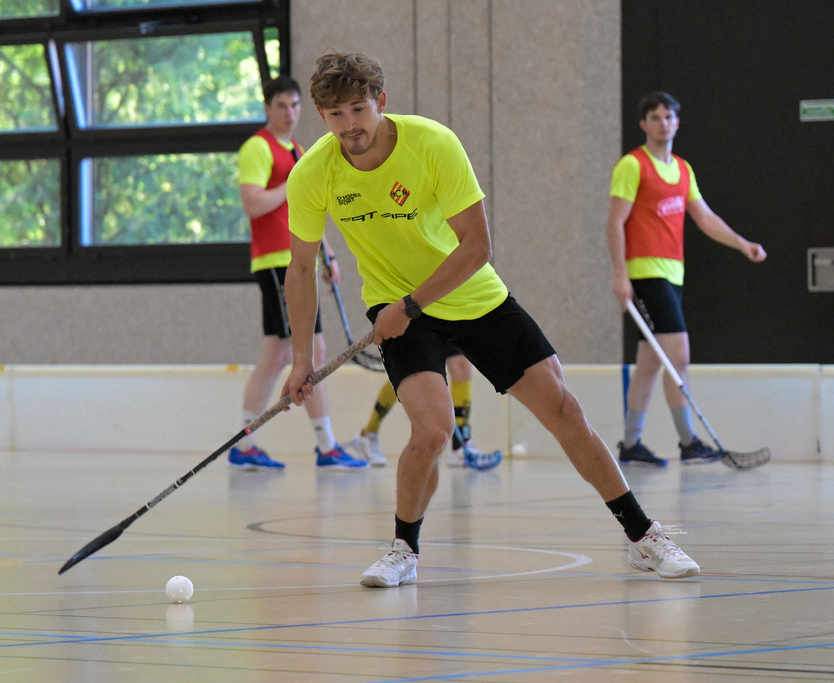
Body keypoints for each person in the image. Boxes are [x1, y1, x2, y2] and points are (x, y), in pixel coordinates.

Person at [281, 51, 699, 586]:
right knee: (431, 432)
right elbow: (300, 267)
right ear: (321, 115)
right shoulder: (314, 172)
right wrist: (300, 360)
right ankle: (403, 550)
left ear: (380, 103)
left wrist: (409, 306)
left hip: (469, 295)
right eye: (336, 116)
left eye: (358, 110)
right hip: (399, 309)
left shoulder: (433, 144)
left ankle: (643, 537)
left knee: (564, 410)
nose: (350, 126)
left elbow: (477, 246)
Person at [606, 91, 767, 468]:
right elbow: (615, 221)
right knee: (679, 355)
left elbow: (704, 217)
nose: (663, 123)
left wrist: (742, 244)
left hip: (673, 273)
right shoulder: (632, 166)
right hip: (645, 273)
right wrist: (620, 274)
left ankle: (631, 445)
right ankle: (689, 442)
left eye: (669, 117)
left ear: (677, 122)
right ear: (644, 124)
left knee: (649, 362)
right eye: (656, 117)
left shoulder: (682, 169)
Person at [231, 75, 366, 470]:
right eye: (281, 106)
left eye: (295, 106)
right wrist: (293, 182)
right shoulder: (259, 148)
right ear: (267, 108)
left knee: (280, 354)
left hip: (300, 259)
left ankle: (264, 444)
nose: (290, 113)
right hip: (276, 263)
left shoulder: (299, 150)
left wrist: (329, 254)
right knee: (296, 352)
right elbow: (254, 203)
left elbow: (308, 211)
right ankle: (322, 446)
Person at [343, 351, 503, 471]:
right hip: (416, 310)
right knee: (409, 369)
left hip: (446, 307)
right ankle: (368, 435)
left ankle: (460, 445)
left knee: (461, 364)